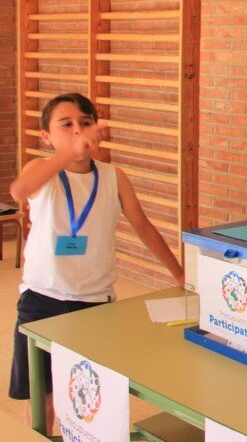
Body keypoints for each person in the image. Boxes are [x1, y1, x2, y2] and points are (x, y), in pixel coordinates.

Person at [8, 92, 184, 428]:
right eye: (67, 124)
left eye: (85, 123)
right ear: (46, 136)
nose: (78, 130)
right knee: (41, 398)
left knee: (86, 398)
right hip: (41, 299)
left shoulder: (112, 176)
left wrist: (178, 273)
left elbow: (143, 227)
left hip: (95, 304)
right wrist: (66, 155)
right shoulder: (43, 171)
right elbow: (19, 191)